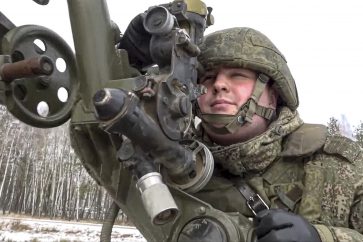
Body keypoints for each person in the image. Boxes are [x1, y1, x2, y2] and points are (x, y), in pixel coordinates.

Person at [119, 15, 363, 242]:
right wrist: (126, 60)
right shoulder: (165, 163)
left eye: (237, 75)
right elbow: (94, 121)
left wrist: (322, 238)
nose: (219, 85)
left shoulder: (340, 167)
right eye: (208, 77)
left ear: (274, 95)